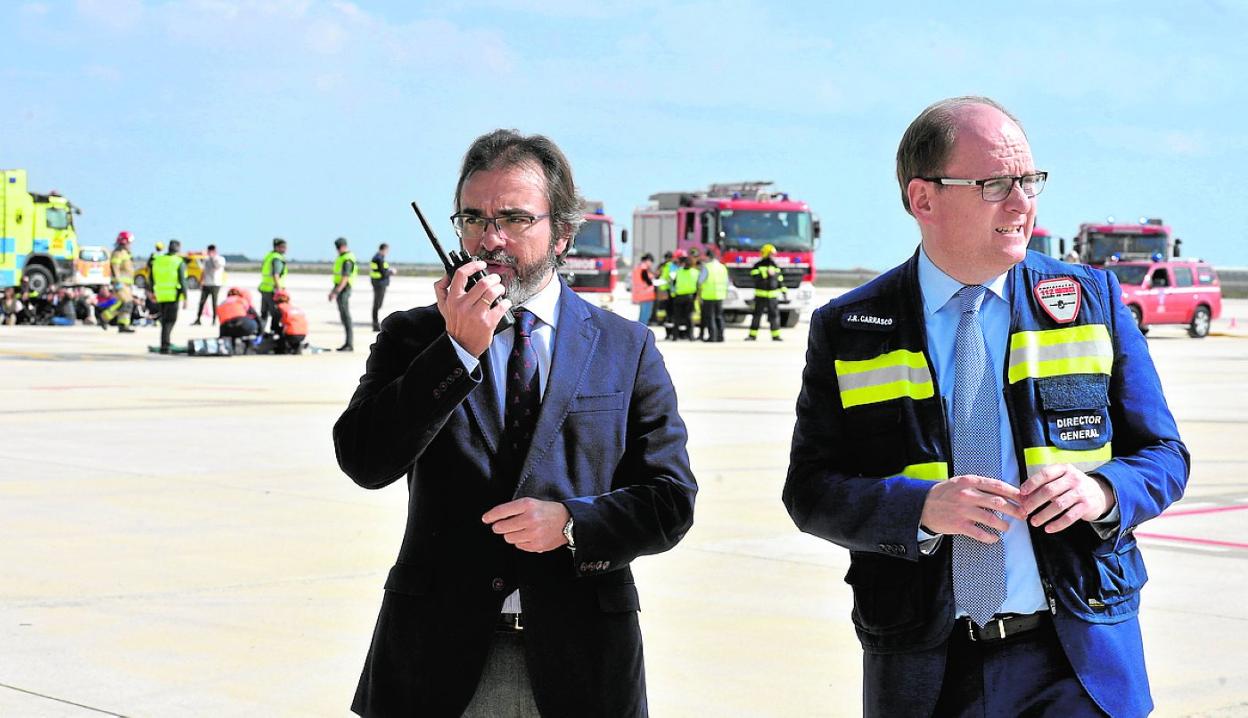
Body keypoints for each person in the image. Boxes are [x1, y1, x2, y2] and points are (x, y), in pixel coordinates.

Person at [783, 96, 1189, 718]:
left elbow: (1164, 456)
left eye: (1029, 181)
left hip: (1076, 658)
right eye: (995, 184)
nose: (1023, 202)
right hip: (925, 663)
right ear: (924, 200)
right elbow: (810, 492)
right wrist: (917, 509)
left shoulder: (1091, 299)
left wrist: (1103, 492)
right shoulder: (850, 326)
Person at [333, 129, 697, 718]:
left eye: (514, 218)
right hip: (435, 659)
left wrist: (573, 522)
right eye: (472, 219)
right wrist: (455, 354)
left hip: (583, 662)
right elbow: (364, 461)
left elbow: (671, 500)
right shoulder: (412, 336)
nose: (490, 239)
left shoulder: (623, 346)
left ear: (563, 233)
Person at [149, 240, 187, 354]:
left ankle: (165, 342)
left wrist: (151, 291)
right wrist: (186, 297)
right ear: (178, 249)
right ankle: (165, 344)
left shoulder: (158, 260)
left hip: (160, 294)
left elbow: (151, 277)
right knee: (170, 320)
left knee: (164, 320)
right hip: (173, 295)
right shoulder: (178, 261)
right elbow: (182, 280)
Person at [746, 243, 783, 341]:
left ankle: (776, 336)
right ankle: (752, 335)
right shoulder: (757, 265)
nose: (772, 256)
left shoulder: (775, 266)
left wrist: (783, 290)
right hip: (760, 296)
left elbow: (779, 279)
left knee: (774, 316)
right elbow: (754, 277)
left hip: (773, 296)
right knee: (757, 316)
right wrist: (765, 274)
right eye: (771, 254)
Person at [328, 237, 357, 352]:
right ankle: (347, 343)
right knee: (343, 316)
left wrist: (335, 292)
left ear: (344, 246)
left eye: (339, 247)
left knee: (346, 316)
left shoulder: (347, 259)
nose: (338, 250)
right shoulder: (342, 257)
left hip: (344, 290)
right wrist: (333, 291)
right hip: (340, 289)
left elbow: (345, 278)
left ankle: (349, 344)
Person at [698, 246, 728, 342]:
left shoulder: (707, 267)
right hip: (720, 295)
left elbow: (700, 281)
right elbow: (726, 281)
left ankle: (712, 337)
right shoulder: (722, 267)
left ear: (708, 257)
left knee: (710, 317)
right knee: (719, 316)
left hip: (709, 295)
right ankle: (721, 336)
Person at [258, 238, 288, 335]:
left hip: (265, 289)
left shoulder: (269, 256)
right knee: (276, 313)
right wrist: (279, 291)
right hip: (273, 291)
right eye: (283, 247)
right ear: (277, 247)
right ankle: (274, 332)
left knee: (264, 314)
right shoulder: (277, 259)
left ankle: (260, 333)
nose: (285, 249)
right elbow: (276, 275)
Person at [193, 244, 226, 326]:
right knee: (201, 302)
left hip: (215, 284)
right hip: (206, 284)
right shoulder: (206, 259)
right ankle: (198, 319)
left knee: (214, 303)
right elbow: (203, 270)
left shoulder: (220, 259)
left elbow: (216, 267)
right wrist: (201, 281)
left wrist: (212, 257)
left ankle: (214, 320)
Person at [670, 251, 698, 341]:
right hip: (689, 297)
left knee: (677, 317)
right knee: (689, 317)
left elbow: (673, 284)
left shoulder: (679, 272)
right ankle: (690, 336)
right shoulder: (695, 272)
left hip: (679, 297)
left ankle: (675, 336)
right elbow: (698, 285)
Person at [369, 242, 396, 332]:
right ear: (384, 249)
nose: (387, 252)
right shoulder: (378, 258)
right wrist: (391, 272)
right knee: (377, 304)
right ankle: (375, 324)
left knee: (378, 304)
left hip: (379, 283)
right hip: (379, 283)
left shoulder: (378, 257)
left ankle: (375, 322)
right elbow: (383, 272)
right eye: (387, 250)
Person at [273, 289, 307, 354]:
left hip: (291, 334)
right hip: (303, 334)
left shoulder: (280, 308)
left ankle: (284, 346)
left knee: (279, 332)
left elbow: (275, 324)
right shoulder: (295, 308)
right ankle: (296, 345)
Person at [630, 253, 656, 326]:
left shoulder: (638, 267)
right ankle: (642, 333)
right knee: (645, 316)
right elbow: (646, 279)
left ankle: (640, 331)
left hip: (641, 295)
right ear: (647, 260)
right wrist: (653, 282)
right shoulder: (643, 268)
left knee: (642, 315)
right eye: (651, 262)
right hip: (646, 295)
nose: (651, 264)